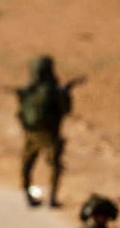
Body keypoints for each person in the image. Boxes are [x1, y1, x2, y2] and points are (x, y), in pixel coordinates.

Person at [15, 55, 83, 208]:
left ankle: (27, 196)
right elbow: (65, 110)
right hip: (50, 135)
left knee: (27, 164)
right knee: (55, 165)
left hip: (31, 134)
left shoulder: (29, 89)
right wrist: (65, 93)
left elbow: (20, 113)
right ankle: (52, 198)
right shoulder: (52, 90)